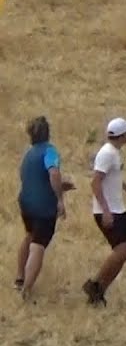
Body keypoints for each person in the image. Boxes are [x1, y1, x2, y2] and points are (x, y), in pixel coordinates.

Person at [83, 118, 126, 307]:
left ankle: (99, 289)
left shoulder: (114, 153)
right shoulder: (107, 154)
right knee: (121, 250)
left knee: (123, 252)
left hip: (117, 208)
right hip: (110, 211)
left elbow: (110, 178)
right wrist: (106, 211)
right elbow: (95, 182)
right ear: (122, 136)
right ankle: (96, 285)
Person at [15, 117, 73, 302]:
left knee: (30, 235)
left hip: (26, 203)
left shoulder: (29, 154)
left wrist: (59, 186)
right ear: (48, 133)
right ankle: (27, 289)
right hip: (43, 207)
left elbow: (34, 178)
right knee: (38, 245)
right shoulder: (50, 151)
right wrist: (59, 198)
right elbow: (53, 172)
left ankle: (19, 277)